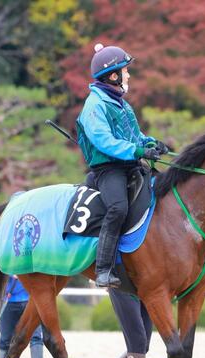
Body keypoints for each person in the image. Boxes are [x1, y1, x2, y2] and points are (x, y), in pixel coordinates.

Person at [76, 43, 169, 289]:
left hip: (130, 165)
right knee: (117, 208)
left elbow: (135, 136)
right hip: (108, 169)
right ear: (114, 75)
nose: (129, 75)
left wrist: (151, 143)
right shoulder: (94, 105)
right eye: (126, 71)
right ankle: (103, 269)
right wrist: (138, 151)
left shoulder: (121, 103)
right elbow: (104, 141)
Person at [0, 275, 52, 358]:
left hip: (31, 300)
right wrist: (9, 273)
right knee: (5, 341)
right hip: (8, 300)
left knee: (36, 337)